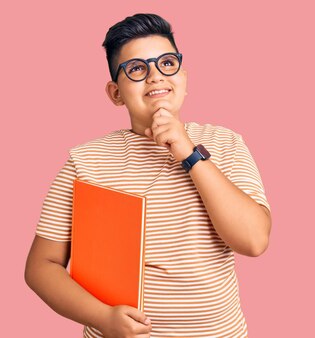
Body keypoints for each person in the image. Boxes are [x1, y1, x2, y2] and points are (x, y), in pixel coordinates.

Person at [24, 13, 272, 338]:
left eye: (167, 63)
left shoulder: (225, 143)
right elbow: (41, 267)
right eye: (138, 68)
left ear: (183, 76)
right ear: (115, 93)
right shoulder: (86, 162)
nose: (155, 76)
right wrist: (103, 317)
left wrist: (188, 151)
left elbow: (253, 241)